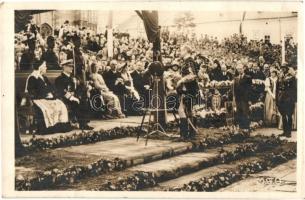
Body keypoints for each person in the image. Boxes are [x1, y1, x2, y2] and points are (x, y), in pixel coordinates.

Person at [25, 59, 70, 134]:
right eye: (45, 66)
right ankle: (48, 128)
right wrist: (45, 95)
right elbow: (32, 92)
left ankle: (59, 127)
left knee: (60, 105)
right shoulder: (32, 78)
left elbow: (51, 87)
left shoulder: (44, 77)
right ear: (40, 67)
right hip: (38, 100)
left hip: (48, 99)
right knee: (47, 109)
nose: (46, 68)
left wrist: (53, 94)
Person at [55, 59, 93, 130]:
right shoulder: (60, 79)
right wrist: (72, 97)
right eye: (69, 66)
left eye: (72, 66)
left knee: (85, 99)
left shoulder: (73, 78)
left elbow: (80, 87)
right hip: (65, 99)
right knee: (77, 102)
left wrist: (87, 88)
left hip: (75, 97)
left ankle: (84, 123)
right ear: (64, 67)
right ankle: (82, 124)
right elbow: (61, 91)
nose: (72, 68)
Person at [176, 45, 199, 139]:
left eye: (181, 50)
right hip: (185, 89)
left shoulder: (189, 61)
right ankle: (185, 134)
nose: (180, 52)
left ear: (186, 50)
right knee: (183, 110)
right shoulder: (186, 61)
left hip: (190, 89)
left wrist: (182, 80)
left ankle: (189, 134)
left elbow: (193, 75)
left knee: (187, 111)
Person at [276, 67, 297, 137]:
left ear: (287, 69)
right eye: (282, 68)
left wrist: (294, 99)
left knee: (289, 115)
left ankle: (289, 132)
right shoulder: (280, 76)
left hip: (289, 99)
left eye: (284, 68)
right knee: (283, 115)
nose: (283, 69)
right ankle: (285, 131)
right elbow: (277, 88)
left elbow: (294, 89)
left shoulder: (292, 77)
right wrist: (277, 99)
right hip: (281, 99)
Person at [233, 63, 252, 133]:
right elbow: (234, 90)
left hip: (245, 99)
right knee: (239, 113)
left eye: (240, 69)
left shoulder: (248, 77)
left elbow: (249, 89)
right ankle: (241, 129)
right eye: (238, 69)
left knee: (245, 114)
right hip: (238, 99)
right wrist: (234, 99)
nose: (239, 70)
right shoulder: (236, 78)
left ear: (243, 69)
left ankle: (246, 129)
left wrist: (249, 99)